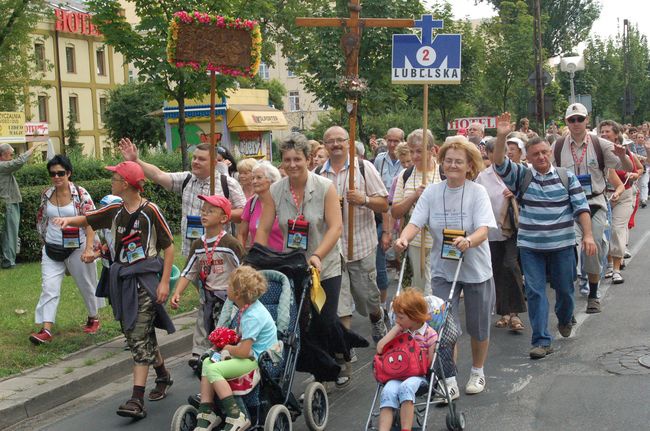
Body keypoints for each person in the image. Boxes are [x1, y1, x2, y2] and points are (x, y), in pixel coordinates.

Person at [52, 161, 175, 419]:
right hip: (121, 280)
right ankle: (163, 375)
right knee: (138, 333)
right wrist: (66, 220)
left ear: (127, 184)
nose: (112, 181)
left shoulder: (150, 211)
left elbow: (169, 246)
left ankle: (136, 399)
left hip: (145, 279)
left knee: (137, 333)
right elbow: (89, 219)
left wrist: (164, 282)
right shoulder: (115, 210)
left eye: (116, 178)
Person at [119, 138, 245, 367]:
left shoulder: (226, 184)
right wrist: (136, 160)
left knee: (218, 302)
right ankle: (208, 349)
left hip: (219, 255)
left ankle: (217, 347)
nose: (195, 162)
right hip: (195, 252)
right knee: (206, 302)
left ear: (214, 162)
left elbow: (243, 212)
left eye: (201, 159)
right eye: (194, 157)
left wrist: (220, 212)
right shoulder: (187, 180)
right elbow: (158, 175)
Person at [256, 132, 366, 385]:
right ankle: (324, 373)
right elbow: (263, 228)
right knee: (302, 324)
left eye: (298, 159)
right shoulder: (275, 190)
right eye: (287, 160)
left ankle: (341, 350)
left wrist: (317, 255)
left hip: (324, 265)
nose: (292, 165)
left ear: (308, 159)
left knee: (324, 320)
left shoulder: (325, 187)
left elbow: (336, 227)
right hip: (293, 266)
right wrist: (256, 259)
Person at [394, 135, 496, 396]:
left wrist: (469, 240)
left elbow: (484, 229)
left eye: (458, 162)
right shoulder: (432, 192)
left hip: (475, 268)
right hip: (443, 268)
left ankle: (477, 371)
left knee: (478, 325)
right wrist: (404, 238)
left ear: (469, 165)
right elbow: (415, 223)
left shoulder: (478, 192)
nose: (452, 165)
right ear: (441, 163)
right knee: (442, 327)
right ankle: (448, 378)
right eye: (448, 161)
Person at [492, 112, 596, 360]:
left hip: (562, 246)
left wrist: (588, 236)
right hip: (531, 248)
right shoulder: (521, 176)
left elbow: (581, 208)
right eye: (535, 154)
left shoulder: (566, 177)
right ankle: (540, 341)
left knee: (564, 290)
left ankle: (564, 318)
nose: (540, 157)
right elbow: (498, 162)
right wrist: (502, 135)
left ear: (550, 153)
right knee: (537, 292)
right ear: (527, 157)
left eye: (543, 152)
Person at [552, 103, 633, 313]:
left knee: (593, 246)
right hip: (568, 205)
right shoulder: (558, 146)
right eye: (572, 119)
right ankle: (569, 291)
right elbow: (547, 172)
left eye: (580, 119)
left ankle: (594, 294)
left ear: (587, 120)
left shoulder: (601, 144)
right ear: (566, 122)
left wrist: (623, 155)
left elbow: (628, 168)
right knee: (567, 250)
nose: (576, 123)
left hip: (595, 203)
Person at [317, 126, 389, 350]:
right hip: (333, 250)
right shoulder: (319, 174)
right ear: (325, 144)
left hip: (360, 245)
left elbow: (384, 203)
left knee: (367, 298)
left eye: (340, 140)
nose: (336, 144)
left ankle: (377, 317)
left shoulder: (363, 168)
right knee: (340, 303)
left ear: (349, 142)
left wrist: (364, 199)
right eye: (331, 141)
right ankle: (344, 352)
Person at [29, 155, 103, 344]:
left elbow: (91, 221)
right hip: (52, 248)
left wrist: (88, 249)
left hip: (77, 247)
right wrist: (44, 241)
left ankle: (93, 317)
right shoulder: (46, 194)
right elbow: (42, 219)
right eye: (52, 174)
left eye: (60, 173)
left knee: (87, 284)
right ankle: (46, 329)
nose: (56, 177)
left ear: (68, 173)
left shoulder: (80, 193)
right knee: (49, 287)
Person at [195, 266, 278, 431]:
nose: (227, 288)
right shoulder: (246, 310)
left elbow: (244, 352)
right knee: (207, 363)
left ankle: (236, 415)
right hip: (249, 355)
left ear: (238, 294)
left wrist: (226, 348)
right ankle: (207, 410)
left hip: (257, 360)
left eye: (230, 286)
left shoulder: (253, 316)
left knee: (214, 370)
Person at [171, 195, 245, 337]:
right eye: (203, 210)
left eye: (210, 211)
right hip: (209, 297)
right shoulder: (198, 245)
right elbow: (188, 271)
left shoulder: (230, 244)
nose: (204, 213)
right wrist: (177, 292)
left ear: (223, 219)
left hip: (228, 298)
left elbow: (244, 270)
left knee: (226, 334)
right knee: (210, 333)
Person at [476, 141, 527, 331]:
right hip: (491, 231)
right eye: (494, 152)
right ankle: (504, 312)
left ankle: (515, 314)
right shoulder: (482, 177)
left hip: (513, 229)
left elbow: (527, 194)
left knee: (510, 265)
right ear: (489, 154)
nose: (500, 155)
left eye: (504, 152)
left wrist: (515, 194)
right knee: (497, 270)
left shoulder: (518, 172)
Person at [376, 289, 437, 431]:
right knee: (388, 391)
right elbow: (380, 348)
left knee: (406, 387)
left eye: (400, 317)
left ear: (415, 317)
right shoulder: (400, 332)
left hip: (419, 377)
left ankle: (406, 428)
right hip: (397, 374)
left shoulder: (429, 335)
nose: (397, 320)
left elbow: (430, 364)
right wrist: (396, 329)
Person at [391, 129, 442, 295]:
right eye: (412, 151)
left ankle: (434, 320)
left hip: (439, 242)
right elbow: (396, 212)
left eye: (419, 151)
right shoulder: (405, 175)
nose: (414, 156)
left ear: (432, 150)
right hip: (415, 243)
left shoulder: (443, 173)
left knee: (434, 291)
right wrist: (414, 196)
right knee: (420, 291)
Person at [599, 121, 638, 284]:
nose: (604, 134)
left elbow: (636, 168)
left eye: (608, 131)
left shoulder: (624, 151)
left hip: (623, 195)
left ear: (616, 134)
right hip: (602, 196)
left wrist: (635, 174)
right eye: (602, 132)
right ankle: (608, 264)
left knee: (616, 230)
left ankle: (616, 269)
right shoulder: (597, 150)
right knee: (603, 233)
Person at [0, 143, 39, 268]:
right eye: (10, 155)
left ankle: (8, 260)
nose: (12, 157)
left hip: (10, 202)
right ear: (3, 155)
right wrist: (32, 149)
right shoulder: (2, 166)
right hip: (9, 203)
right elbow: (18, 162)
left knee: (9, 233)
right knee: (10, 233)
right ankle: (8, 262)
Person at [237, 161, 283, 251]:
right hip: (259, 260)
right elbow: (241, 234)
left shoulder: (282, 202)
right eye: (253, 178)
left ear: (272, 180)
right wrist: (242, 256)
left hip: (283, 259)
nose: (254, 181)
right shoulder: (251, 203)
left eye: (259, 178)